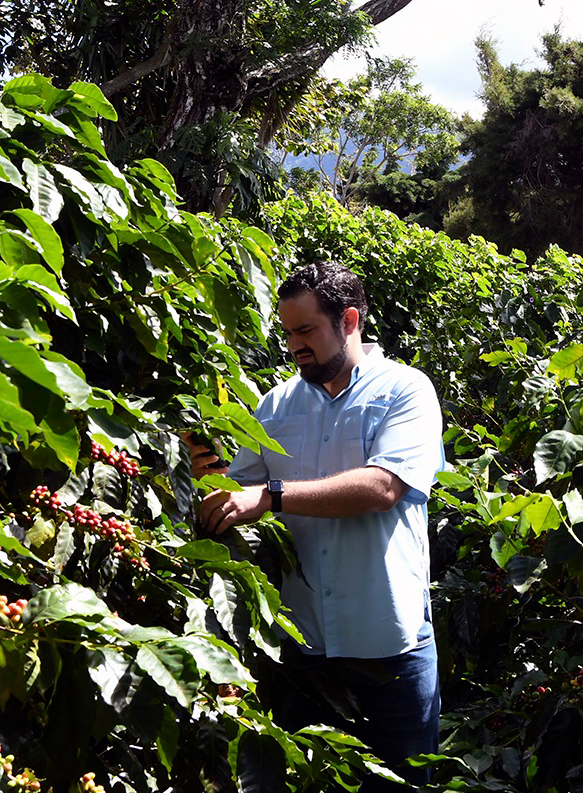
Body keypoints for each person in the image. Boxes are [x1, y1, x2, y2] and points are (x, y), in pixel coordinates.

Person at [187, 262, 444, 790]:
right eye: (287, 333)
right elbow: (236, 497)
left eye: (306, 331)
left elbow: (383, 487)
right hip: (304, 649)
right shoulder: (276, 405)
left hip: (389, 645)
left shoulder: (405, 391)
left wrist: (271, 495)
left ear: (349, 321)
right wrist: (201, 467)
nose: (294, 347)